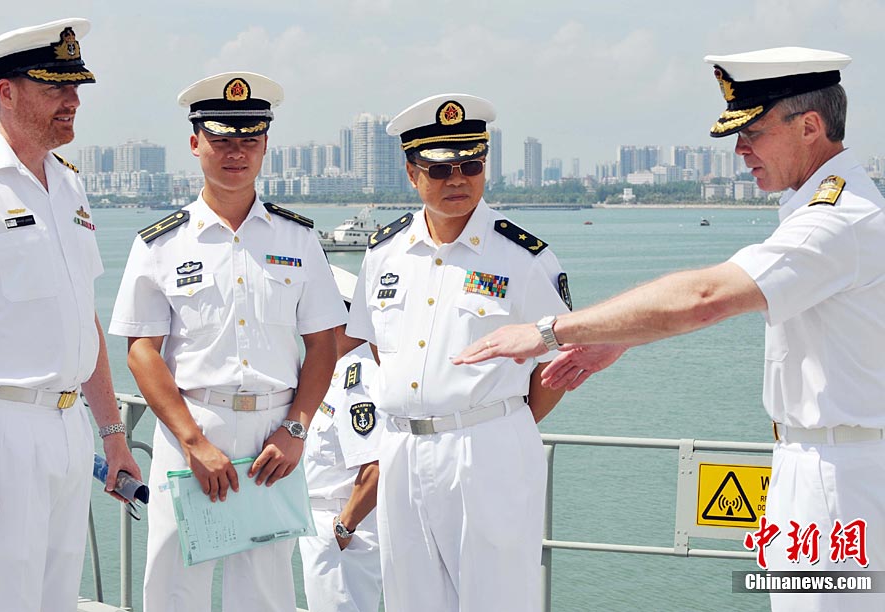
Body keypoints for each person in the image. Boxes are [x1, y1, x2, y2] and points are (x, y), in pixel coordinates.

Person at [455, 47, 885, 611]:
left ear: (809, 127)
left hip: (838, 480)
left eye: (752, 131)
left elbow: (705, 298)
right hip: (815, 464)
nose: (740, 149)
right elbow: (732, 305)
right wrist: (619, 336)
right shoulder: (819, 212)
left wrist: (550, 331)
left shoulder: (838, 220)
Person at [108, 72, 345, 612]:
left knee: (266, 591)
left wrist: (296, 429)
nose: (236, 152)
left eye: (249, 140)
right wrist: (194, 442)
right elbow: (141, 351)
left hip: (274, 436)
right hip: (191, 426)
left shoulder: (298, 238)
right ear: (196, 143)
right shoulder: (161, 244)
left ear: (265, 145)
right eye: (222, 139)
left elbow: (323, 344)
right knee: (174, 586)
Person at [345, 93, 571, 612]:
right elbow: (378, 347)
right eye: (441, 169)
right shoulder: (384, 253)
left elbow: (557, 363)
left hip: (486, 448)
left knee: (496, 598)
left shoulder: (522, 258)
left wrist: (496, 422)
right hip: (401, 449)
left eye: (471, 166)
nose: (458, 180)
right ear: (412, 173)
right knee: (410, 598)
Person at [0, 18, 141, 612]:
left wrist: (113, 436)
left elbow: (81, 317)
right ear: (6, 92)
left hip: (70, 429)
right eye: (55, 87)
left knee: (55, 598)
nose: (73, 101)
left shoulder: (68, 185)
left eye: (76, 87)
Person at [299, 264, 384, 612]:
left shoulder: (358, 376)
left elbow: (377, 465)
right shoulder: (336, 371)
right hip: (326, 524)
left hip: (344, 528)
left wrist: (343, 528)